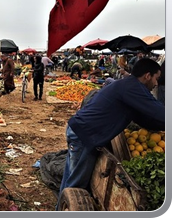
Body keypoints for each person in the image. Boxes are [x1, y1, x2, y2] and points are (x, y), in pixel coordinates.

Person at [56, 58, 165, 210]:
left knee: (70, 178)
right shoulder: (133, 88)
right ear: (147, 75)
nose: (156, 84)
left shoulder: (127, 86)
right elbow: (158, 112)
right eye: (156, 78)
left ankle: (59, 209)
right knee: (76, 185)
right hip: (84, 134)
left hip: (80, 130)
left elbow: (145, 119)